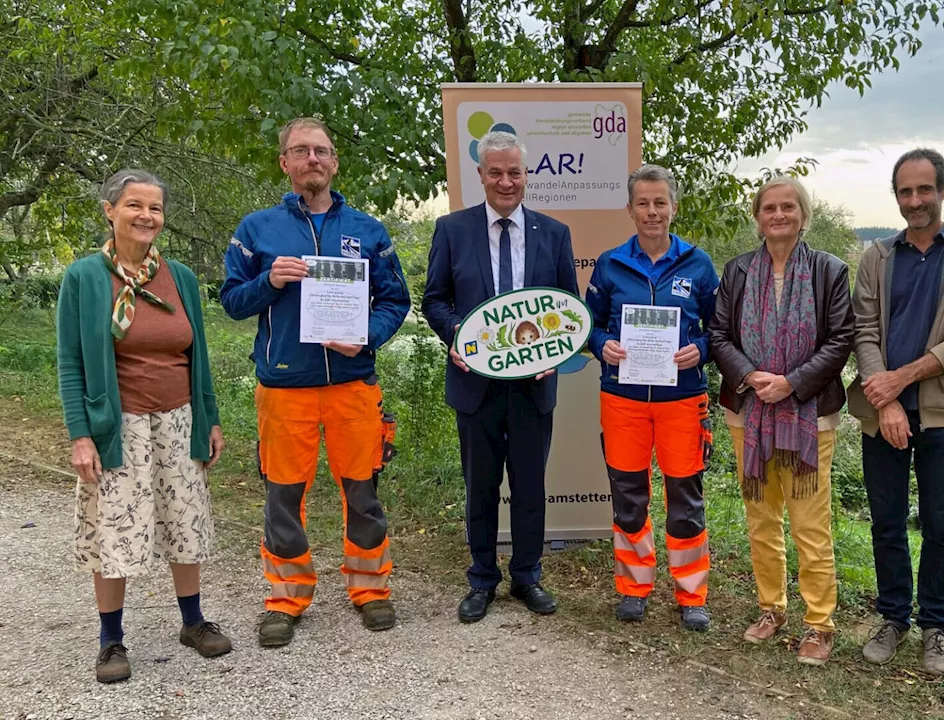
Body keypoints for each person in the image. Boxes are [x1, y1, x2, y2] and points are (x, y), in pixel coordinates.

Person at [221, 117, 411, 647]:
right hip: (284, 387)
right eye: (301, 151)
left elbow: (397, 300)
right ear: (284, 162)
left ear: (334, 162)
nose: (312, 159)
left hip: (353, 384)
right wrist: (268, 280)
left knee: (363, 491)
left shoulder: (369, 231)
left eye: (321, 151)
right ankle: (286, 598)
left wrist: (367, 337)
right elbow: (232, 301)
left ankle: (370, 589)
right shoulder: (257, 229)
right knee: (283, 497)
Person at [57, 169, 230, 683]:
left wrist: (210, 418)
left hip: (179, 419)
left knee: (185, 521)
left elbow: (197, 355)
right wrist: (80, 434)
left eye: (155, 208)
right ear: (109, 211)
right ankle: (111, 640)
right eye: (134, 205)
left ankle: (193, 622)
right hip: (118, 426)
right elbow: (70, 362)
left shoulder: (181, 278)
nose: (146, 216)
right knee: (114, 528)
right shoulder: (85, 277)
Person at [848, 148, 944, 675]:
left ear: (943, 191)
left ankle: (935, 625)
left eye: (924, 190)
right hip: (881, 414)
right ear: (896, 197)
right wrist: (884, 400)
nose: (915, 200)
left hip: (942, 414)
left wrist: (901, 380)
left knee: (939, 523)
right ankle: (893, 616)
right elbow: (864, 331)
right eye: (905, 191)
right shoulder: (877, 258)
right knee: (886, 522)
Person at [422, 130, 579, 623]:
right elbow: (434, 301)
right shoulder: (452, 230)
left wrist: (559, 349)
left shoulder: (554, 233)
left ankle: (528, 576)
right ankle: (483, 579)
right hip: (475, 385)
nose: (506, 181)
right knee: (481, 486)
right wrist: (458, 338)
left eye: (514, 172)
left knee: (531, 486)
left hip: (534, 387)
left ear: (526, 175)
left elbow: (567, 309)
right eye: (496, 172)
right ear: (481, 175)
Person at [708, 176, 853, 666]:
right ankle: (771, 608)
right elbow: (718, 333)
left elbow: (840, 340)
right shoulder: (738, 271)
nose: (778, 215)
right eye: (769, 207)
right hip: (747, 410)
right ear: (758, 216)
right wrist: (751, 375)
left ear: (803, 214)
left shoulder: (829, 271)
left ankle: (819, 623)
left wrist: (790, 382)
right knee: (760, 519)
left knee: (810, 524)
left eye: (788, 207)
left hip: (810, 414)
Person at [583, 164, 719, 631]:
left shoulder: (698, 264)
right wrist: (602, 345)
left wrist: (698, 350)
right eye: (643, 203)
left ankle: (691, 594)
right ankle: (633, 588)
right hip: (622, 397)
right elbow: (589, 326)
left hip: (682, 399)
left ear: (673, 207)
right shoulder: (609, 263)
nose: (652, 211)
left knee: (685, 497)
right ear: (630, 209)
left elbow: (720, 332)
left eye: (660, 202)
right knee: (629, 495)